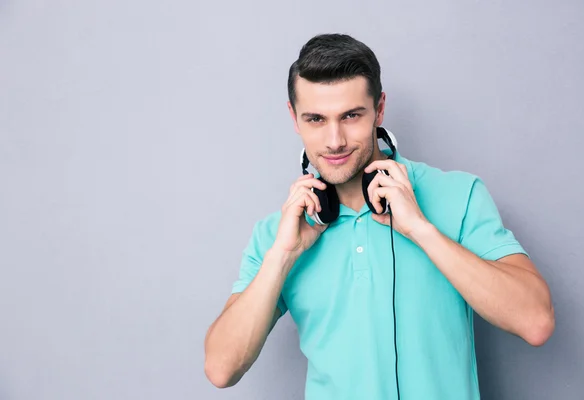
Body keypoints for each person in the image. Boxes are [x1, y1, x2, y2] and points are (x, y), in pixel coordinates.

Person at [204, 33, 555, 400]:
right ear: (294, 118)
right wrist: (282, 257)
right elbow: (221, 368)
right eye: (316, 120)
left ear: (379, 108)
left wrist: (420, 229)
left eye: (351, 116)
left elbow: (536, 322)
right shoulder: (279, 235)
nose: (335, 140)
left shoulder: (459, 196)